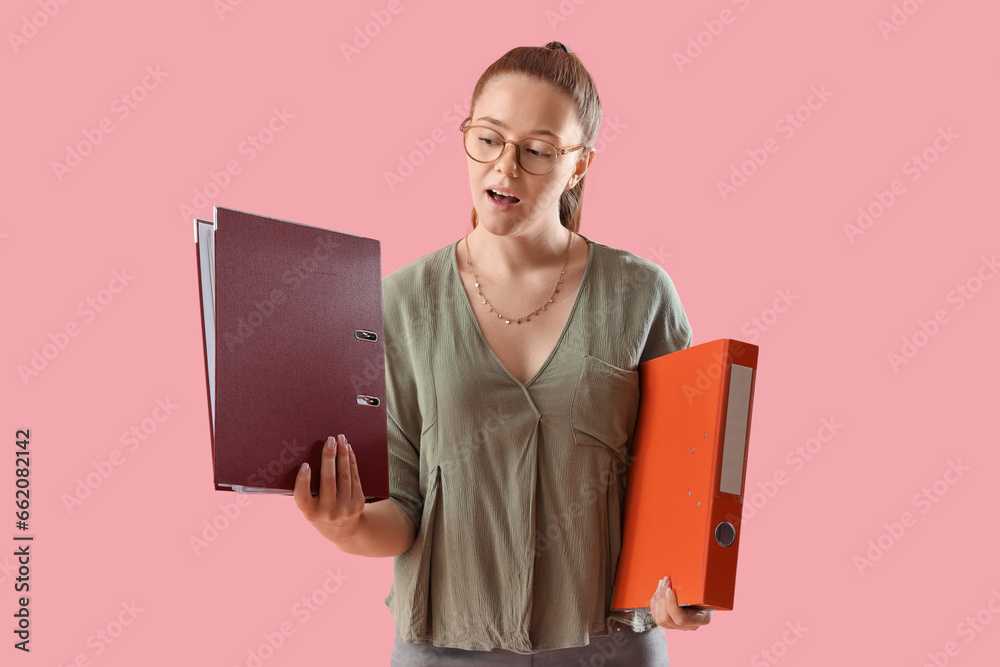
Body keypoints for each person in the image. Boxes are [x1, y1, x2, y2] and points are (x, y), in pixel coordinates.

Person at [294, 41, 711, 665]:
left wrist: (690, 584)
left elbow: (682, 486)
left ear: (579, 165)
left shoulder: (641, 294)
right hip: (446, 642)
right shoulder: (401, 301)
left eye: (538, 151)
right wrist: (345, 525)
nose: (506, 166)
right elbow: (403, 510)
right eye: (488, 139)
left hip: (609, 645)